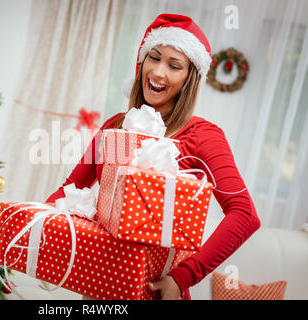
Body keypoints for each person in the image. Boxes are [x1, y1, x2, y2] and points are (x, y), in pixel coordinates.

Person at [46, 13, 260, 300]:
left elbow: (245, 215)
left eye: (174, 66)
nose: (158, 73)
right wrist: (35, 225)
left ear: (188, 79)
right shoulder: (115, 126)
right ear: (141, 61)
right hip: (99, 289)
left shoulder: (202, 136)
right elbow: (70, 189)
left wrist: (182, 277)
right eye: (154, 58)